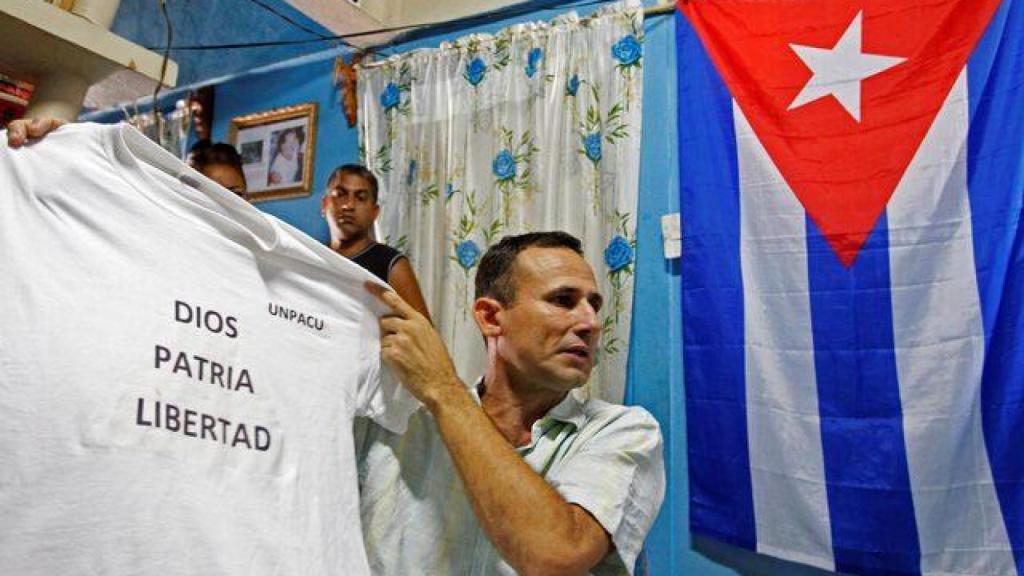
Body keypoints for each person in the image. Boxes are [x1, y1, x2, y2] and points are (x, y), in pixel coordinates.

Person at [362, 231, 665, 575]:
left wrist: (444, 389)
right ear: (491, 318)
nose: (591, 324)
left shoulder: (624, 432)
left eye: (593, 305)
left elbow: (556, 555)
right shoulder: (396, 423)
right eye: (564, 300)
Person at [322, 164, 430, 321]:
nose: (349, 205)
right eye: (340, 194)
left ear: (374, 212)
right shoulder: (313, 258)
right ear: (324, 205)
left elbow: (425, 336)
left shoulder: (391, 264)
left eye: (360, 198)